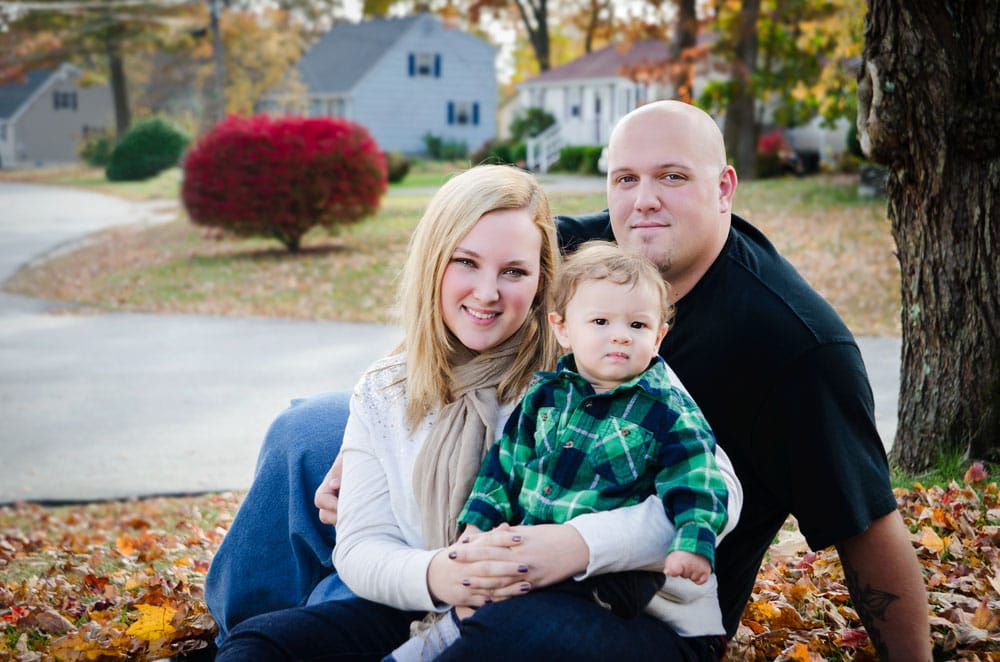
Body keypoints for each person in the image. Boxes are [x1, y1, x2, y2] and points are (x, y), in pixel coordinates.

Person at [207, 101, 931, 659]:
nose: (643, 199)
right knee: (307, 427)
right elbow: (470, 279)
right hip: (487, 529)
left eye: (673, 177)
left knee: (503, 625)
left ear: (724, 188)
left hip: (645, 583)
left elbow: (866, 524)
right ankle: (271, 624)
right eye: (625, 179)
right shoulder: (592, 247)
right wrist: (375, 428)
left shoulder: (794, 343)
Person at [212, 163, 741, 661]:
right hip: (444, 605)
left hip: (623, 612)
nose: (487, 294)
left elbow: (722, 493)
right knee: (263, 645)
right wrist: (442, 574)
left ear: (540, 283)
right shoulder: (387, 389)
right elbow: (361, 545)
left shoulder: (593, 355)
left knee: (509, 635)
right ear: (432, 261)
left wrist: (573, 546)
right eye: (465, 262)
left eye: (514, 271)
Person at [389, 241, 732, 661]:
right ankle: (432, 643)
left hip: (611, 581)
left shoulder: (666, 411)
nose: (621, 335)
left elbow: (698, 478)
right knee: (491, 590)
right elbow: (504, 465)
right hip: (534, 550)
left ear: (659, 335)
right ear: (563, 329)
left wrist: (692, 543)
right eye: (601, 321)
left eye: (639, 326)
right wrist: (478, 524)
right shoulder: (544, 397)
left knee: (523, 610)